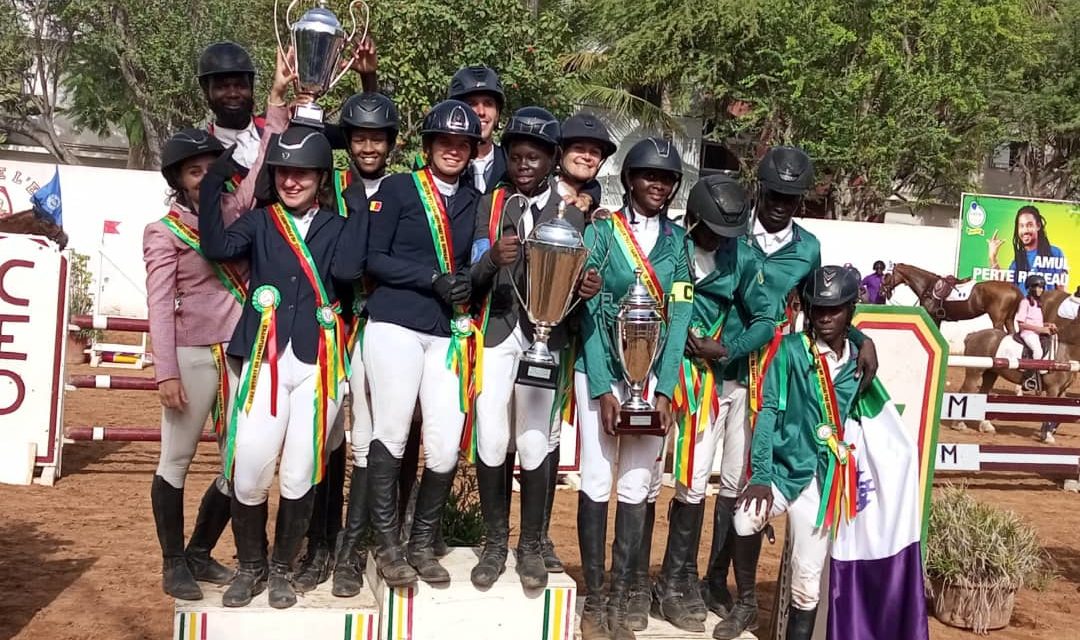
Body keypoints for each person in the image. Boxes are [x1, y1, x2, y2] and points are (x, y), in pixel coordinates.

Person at [707, 146, 877, 640]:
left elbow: (826, 308)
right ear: (760, 188)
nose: (782, 203)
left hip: (784, 370)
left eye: (792, 196)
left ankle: (733, 593)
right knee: (706, 479)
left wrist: (862, 339)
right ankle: (708, 581)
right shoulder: (733, 233)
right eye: (776, 193)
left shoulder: (809, 248)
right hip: (729, 367)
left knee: (740, 482)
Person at [199, 126, 352, 609]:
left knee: (300, 473)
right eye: (285, 172)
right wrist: (213, 183)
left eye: (303, 173)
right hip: (264, 358)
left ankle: (283, 569)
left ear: (320, 178)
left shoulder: (339, 226)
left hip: (319, 362)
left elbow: (351, 275)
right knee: (249, 471)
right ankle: (251, 566)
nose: (292, 181)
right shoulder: (262, 222)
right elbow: (218, 247)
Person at [468, 106, 601, 591]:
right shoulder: (492, 205)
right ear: (507, 157)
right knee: (489, 433)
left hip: (546, 339)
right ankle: (492, 543)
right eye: (517, 156)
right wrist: (489, 265)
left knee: (533, 441)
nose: (525, 165)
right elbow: (474, 271)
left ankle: (530, 545)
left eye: (536, 157)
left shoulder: (573, 211)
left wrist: (584, 288)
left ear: (553, 160)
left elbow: (578, 278)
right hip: (499, 329)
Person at [576, 137, 693, 640]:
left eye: (666, 179)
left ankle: (626, 593)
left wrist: (665, 389)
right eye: (649, 176)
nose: (658, 186)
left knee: (636, 485)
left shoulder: (678, 244)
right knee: (598, 480)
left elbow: (682, 312)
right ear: (629, 179)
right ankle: (596, 597)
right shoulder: (603, 231)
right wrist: (602, 386)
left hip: (652, 380)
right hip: (600, 369)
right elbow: (586, 305)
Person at [362, 100, 482, 587]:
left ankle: (421, 540)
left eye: (462, 144)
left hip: (446, 333)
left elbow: (476, 260)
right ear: (429, 145)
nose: (452, 151)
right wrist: (431, 276)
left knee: (445, 445)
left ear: (471, 151)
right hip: (395, 322)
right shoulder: (398, 188)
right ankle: (388, 547)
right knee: (391, 434)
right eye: (444, 142)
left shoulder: (475, 200)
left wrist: (469, 279)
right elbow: (374, 258)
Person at [293, 91, 400, 597]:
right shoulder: (329, 184)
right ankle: (318, 542)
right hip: (332, 323)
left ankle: (354, 550)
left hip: (386, 326)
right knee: (327, 436)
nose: (368, 147)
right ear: (347, 144)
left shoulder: (405, 189)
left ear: (391, 145)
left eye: (377, 138)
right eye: (358, 138)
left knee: (376, 438)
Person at [649, 174, 764, 632]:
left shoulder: (741, 256)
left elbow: (765, 320)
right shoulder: (670, 248)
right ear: (693, 218)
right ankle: (673, 581)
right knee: (692, 480)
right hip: (688, 382)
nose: (722, 241)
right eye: (715, 230)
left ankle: (714, 580)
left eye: (730, 233)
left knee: (733, 482)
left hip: (732, 380)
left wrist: (729, 349)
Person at [733, 265, 865, 640]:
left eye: (835, 309)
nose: (825, 317)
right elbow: (768, 411)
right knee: (744, 519)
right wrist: (759, 475)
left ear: (850, 310)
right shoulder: (791, 350)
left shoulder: (860, 361)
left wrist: (865, 343)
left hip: (823, 485)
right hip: (782, 470)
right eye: (818, 308)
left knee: (806, 585)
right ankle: (746, 603)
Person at [144, 130, 240, 601]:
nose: (205, 178)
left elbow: (263, 165)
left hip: (242, 353)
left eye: (210, 169)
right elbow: (159, 303)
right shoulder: (164, 231)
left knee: (238, 460)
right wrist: (166, 371)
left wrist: (281, 100)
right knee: (177, 458)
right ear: (178, 179)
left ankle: (201, 550)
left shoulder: (235, 211)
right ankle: (173, 561)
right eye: (194, 171)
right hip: (191, 354)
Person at [449, 65, 506, 194]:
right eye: (471, 104)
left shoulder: (511, 164)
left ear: (497, 114)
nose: (481, 112)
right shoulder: (441, 164)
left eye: (488, 104)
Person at [989, 205, 1069, 294]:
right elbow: (1005, 286)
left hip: (1046, 307)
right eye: (1021, 226)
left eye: (1029, 225)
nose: (1025, 230)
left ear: (1038, 226)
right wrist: (993, 257)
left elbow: (1062, 291)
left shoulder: (1055, 253)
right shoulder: (1017, 262)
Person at [558, 111, 617, 215]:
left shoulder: (597, 213)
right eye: (579, 149)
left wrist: (587, 198)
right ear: (562, 153)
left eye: (594, 152)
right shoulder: (542, 193)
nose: (587, 157)